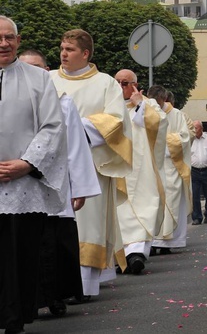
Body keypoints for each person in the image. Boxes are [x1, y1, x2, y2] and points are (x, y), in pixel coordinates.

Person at [50, 29, 131, 298]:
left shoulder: (105, 83)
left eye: (70, 49)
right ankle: (54, 284)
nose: (63, 53)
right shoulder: (47, 79)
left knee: (88, 225)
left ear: (85, 54)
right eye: (62, 48)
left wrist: (75, 128)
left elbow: (116, 119)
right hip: (50, 165)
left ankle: (82, 286)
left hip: (92, 166)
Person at [19, 50, 100, 318]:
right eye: (26, 67)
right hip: (19, 185)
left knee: (55, 243)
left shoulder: (63, 103)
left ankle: (56, 296)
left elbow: (75, 147)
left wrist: (80, 187)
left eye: (38, 68)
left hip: (55, 183)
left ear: (47, 70)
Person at [0, 18, 67, 334]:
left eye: (9, 37)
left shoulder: (40, 79)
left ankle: (15, 319)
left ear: (18, 39)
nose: (3, 43)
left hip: (24, 183)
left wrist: (26, 163)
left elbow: (53, 125)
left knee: (20, 254)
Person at [114, 69, 168, 275]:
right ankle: (119, 256)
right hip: (117, 167)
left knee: (144, 207)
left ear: (136, 85)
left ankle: (136, 254)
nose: (121, 87)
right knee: (119, 211)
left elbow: (160, 124)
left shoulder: (148, 104)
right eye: (117, 82)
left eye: (125, 83)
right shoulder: (109, 103)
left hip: (142, 166)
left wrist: (139, 104)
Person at [148, 85, 192, 256]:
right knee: (152, 203)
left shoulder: (177, 115)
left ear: (162, 99)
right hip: (151, 166)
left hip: (171, 165)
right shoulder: (147, 112)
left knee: (171, 203)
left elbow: (185, 137)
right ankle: (151, 241)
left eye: (157, 102)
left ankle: (168, 241)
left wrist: (160, 141)